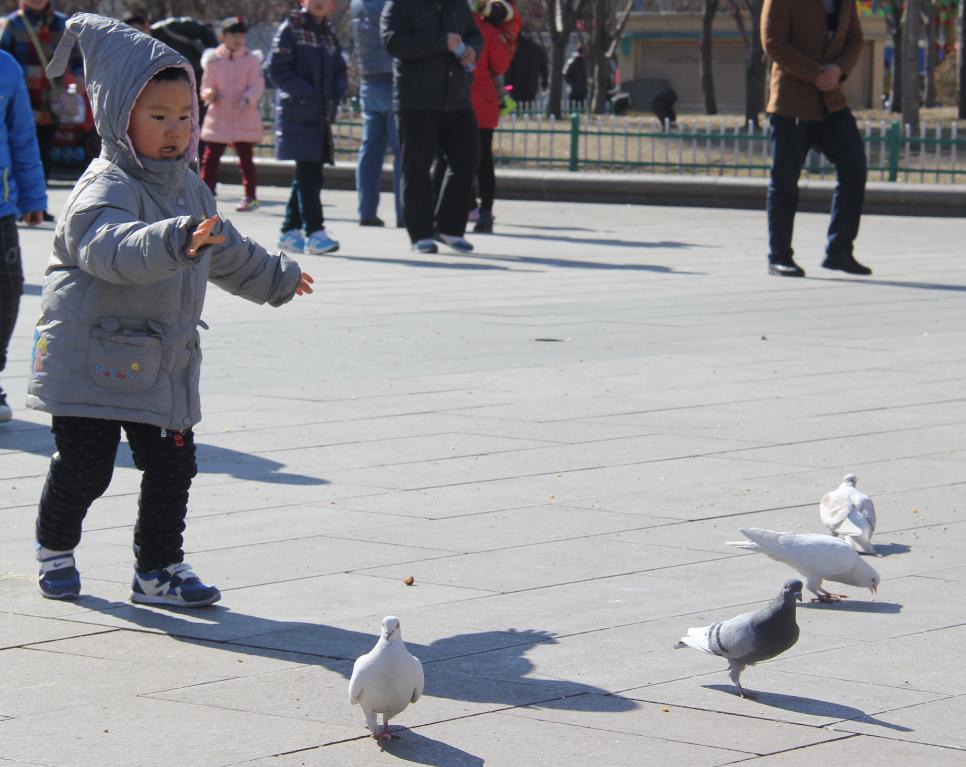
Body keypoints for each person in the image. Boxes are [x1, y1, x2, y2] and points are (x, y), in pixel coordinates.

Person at [26, 14, 314, 606]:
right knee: (87, 469)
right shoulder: (104, 186)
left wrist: (278, 277)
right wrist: (173, 240)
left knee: (173, 467)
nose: (176, 130)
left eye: (185, 117)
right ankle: (54, 546)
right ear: (118, 115)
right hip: (91, 356)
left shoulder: (189, 186)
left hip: (160, 357)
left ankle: (158, 568)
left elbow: (225, 249)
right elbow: (110, 250)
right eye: (158, 117)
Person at [761, 0, 870, 277]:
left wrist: (838, 69)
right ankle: (779, 256)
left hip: (832, 100)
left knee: (854, 166)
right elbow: (773, 42)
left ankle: (839, 251)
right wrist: (815, 72)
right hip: (791, 103)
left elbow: (855, 38)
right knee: (785, 181)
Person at [382, 0, 482, 254]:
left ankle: (449, 227)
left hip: (456, 97)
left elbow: (474, 34)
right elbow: (393, 42)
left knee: (468, 158)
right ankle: (421, 233)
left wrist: (472, 49)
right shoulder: (400, 5)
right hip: (417, 100)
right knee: (417, 167)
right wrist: (441, 41)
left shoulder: (458, 5)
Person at [267, 0, 347, 255]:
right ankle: (315, 231)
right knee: (309, 173)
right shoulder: (292, 28)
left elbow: (340, 69)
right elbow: (277, 69)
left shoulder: (329, 34)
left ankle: (290, 230)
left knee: (309, 172)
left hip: (320, 114)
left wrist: (337, 91)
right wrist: (307, 94)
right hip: (298, 112)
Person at [0, 49, 47, 423]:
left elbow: (21, 136)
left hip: (0, 210)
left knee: (7, 290)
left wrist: (32, 196)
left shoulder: (6, 66)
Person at [1, 0, 84, 189]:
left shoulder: (64, 24)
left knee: (45, 153)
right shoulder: (12, 24)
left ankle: (39, 204)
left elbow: (79, 59)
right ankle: (21, 203)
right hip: (20, 103)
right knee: (19, 152)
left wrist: (81, 77)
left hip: (52, 102)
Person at [199, 16, 265, 211]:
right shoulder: (213, 60)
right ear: (223, 36)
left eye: (241, 35)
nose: (237, 39)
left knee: (246, 160)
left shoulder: (252, 60)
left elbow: (257, 85)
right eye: (232, 34)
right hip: (219, 116)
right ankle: (205, 195)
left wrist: (248, 98)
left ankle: (250, 196)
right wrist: (209, 94)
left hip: (243, 116)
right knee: (210, 160)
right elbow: (206, 85)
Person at [350, 0, 403, 229]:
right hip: (395, 80)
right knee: (403, 152)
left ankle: (366, 211)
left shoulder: (357, 5)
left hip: (368, 79)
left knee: (369, 152)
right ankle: (406, 213)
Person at [468, 0, 514, 234]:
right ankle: (485, 212)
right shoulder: (487, 30)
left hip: (453, 101)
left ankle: (464, 206)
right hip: (483, 103)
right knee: (483, 158)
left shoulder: (450, 27)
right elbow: (501, 64)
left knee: (452, 157)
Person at [505, 30, 548, 107]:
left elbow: (508, 70)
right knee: (529, 106)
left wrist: (507, 87)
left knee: (517, 108)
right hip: (531, 85)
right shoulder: (537, 49)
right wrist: (544, 84)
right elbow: (544, 68)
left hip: (516, 86)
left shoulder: (515, 49)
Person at [563, 42, 587, 109]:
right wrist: (573, 84)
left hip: (582, 91)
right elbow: (566, 74)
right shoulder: (573, 61)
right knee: (573, 108)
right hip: (574, 91)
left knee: (581, 108)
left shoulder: (584, 62)